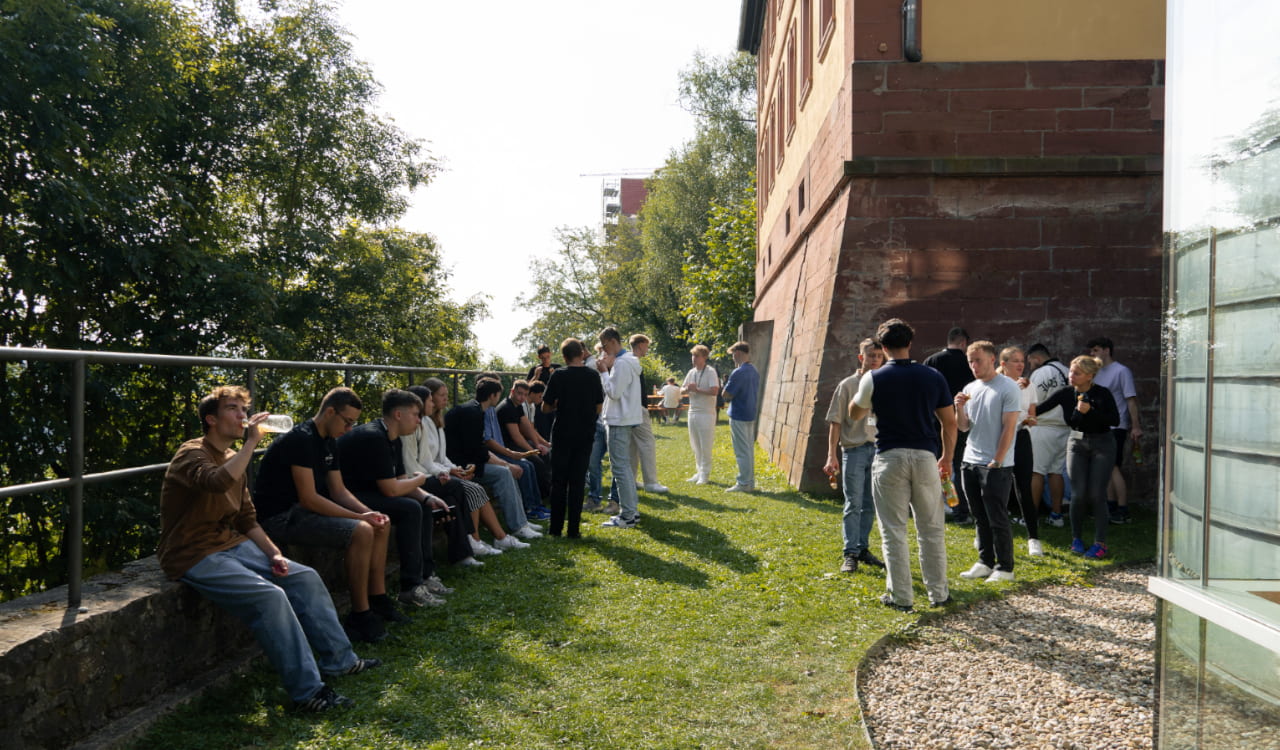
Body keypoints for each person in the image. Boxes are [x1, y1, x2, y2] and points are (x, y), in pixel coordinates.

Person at [157, 386, 379, 712]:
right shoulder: (191, 453)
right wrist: (251, 443)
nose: (242, 416)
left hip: (231, 544)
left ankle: (340, 660)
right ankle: (309, 693)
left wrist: (274, 553)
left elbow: (248, 520)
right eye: (233, 409)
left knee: (304, 577)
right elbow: (216, 482)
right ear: (211, 419)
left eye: (242, 409)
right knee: (270, 597)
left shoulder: (235, 458)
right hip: (192, 553)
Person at [253, 387, 403, 644]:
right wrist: (359, 519)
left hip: (301, 511)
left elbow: (339, 490)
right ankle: (360, 614)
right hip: (280, 516)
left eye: (353, 423)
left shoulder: (329, 441)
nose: (349, 428)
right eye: (347, 422)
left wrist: (367, 512)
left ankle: (378, 599)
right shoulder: (300, 439)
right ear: (330, 411)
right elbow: (308, 498)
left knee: (380, 523)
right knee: (362, 530)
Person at [850, 319, 955, 611]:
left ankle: (901, 597)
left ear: (883, 348)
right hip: (925, 456)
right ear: (910, 343)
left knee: (893, 531)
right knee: (931, 530)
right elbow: (949, 422)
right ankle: (939, 593)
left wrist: (865, 387)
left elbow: (855, 413)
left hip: (889, 457)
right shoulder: (932, 375)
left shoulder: (874, 377)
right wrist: (946, 457)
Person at [337, 389, 457, 608]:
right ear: (398, 415)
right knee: (410, 509)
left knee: (422, 504)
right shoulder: (374, 437)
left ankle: (424, 576)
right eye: (415, 414)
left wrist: (428, 496)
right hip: (346, 496)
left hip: (369, 492)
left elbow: (401, 481)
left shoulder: (395, 438)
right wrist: (420, 482)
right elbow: (391, 489)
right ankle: (410, 588)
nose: (420, 421)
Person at [402, 382, 527, 559]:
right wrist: (448, 472)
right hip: (427, 477)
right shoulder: (419, 424)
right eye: (438, 396)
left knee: (470, 489)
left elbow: (441, 456)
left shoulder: (436, 421)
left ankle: (489, 539)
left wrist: (455, 469)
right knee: (473, 490)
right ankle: (479, 540)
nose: (445, 399)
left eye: (446, 394)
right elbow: (424, 462)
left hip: (438, 473)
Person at [1035, 355, 1120, 559]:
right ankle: (1076, 539)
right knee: (1078, 493)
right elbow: (1038, 409)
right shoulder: (1065, 393)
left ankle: (1100, 543)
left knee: (1096, 494)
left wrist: (1091, 410)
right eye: (1071, 372)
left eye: (1077, 373)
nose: (1071, 376)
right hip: (1076, 443)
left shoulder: (1102, 394)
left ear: (1090, 376)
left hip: (1102, 443)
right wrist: (1023, 391)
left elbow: (1114, 420)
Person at [954, 341, 1022, 583]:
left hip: (996, 464)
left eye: (978, 360)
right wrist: (959, 407)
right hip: (970, 460)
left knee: (997, 516)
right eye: (970, 361)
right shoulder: (970, 387)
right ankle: (985, 561)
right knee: (978, 515)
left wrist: (998, 459)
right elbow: (963, 427)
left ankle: (1005, 567)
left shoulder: (1008, 387)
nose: (973, 365)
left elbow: (1010, 426)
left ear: (992, 359)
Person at [444, 379, 543, 540]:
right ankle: (518, 526)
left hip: (469, 461)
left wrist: (508, 463)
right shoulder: (473, 413)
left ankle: (522, 521)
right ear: (492, 396)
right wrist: (507, 464)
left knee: (509, 470)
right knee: (504, 473)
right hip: (462, 466)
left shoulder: (475, 410)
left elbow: (479, 449)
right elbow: (479, 452)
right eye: (498, 395)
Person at [824, 337, 887, 573]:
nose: (875, 360)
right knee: (853, 503)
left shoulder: (884, 384)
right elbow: (835, 421)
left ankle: (862, 548)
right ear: (861, 358)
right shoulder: (848, 385)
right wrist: (832, 455)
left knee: (870, 503)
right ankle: (849, 553)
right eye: (871, 356)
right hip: (854, 449)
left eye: (879, 356)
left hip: (878, 449)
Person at [542, 337, 605, 536]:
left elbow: (545, 407)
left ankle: (555, 528)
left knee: (559, 482)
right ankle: (574, 529)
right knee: (578, 482)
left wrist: (558, 404)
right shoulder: (593, 375)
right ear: (581, 354)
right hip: (585, 433)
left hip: (562, 432)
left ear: (564, 356)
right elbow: (598, 406)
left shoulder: (558, 375)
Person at [1087, 336, 1141, 525]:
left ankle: (1123, 509)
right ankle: (1110, 506)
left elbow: (1130, 400)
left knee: (1113, 466)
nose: (1092, 354)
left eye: (1095, 350)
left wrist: (1135, 426)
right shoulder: (1096, 372)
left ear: (1107, 350)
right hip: (1100, 427)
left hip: (1116, 426)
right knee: (1105, 468)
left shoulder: (1121, 371)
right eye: (1091, 351)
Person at [996, 346, 1043, 557]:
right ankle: (991, 534)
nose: (1020, 364)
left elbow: (1033, 417)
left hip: (1021, 436)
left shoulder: (1028, 385)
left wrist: (1029, 420)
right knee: (997, 486)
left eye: (1022, 360)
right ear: (1003, 364)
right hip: (1000, 438)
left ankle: (1033, 537)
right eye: (1015, 360)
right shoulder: (995, 385)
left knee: (1024, 486)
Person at [924, 326, 973, 523]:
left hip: (935, 422)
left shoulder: (932, 361)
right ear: (963, 343)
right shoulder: (969, 363)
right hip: (960, 421)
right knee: (959, 466)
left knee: (934, 466)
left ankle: (934, 509)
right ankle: (961, 511)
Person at [596, 326, 644, 528]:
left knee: (620, 469)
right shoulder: (627, 362)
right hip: (623, 418)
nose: (604, 352)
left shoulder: (623, 364)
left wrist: (603, 373)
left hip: (619, 420)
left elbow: (614, 392)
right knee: (623, 469)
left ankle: (628, 515)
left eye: (605, 347)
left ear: (613, 342)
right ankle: (630, 512)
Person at [487, 380, 550, 521]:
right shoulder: (507, 407)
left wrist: (538, 444)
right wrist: (532, 452)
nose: (522, 397)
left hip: (512, 446)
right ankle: (528, 507)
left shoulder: (518, 406)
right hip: (506, 448)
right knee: (528, 465)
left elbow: (527, 426)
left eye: (524, 395)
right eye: (519, 393)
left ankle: (537, 503)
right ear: (512, 392)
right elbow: (515, 437)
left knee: (535, 462)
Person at [1026, 343, 1071, 527]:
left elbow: (1031, 402)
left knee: (1036, 472)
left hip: (1043, 426)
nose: (1029, 366)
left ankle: (1031, 516)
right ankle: (1057, 515)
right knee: (1056, 472)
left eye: (1030, 362)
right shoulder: (1067, 370)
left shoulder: (1040, 373)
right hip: (1064, 428)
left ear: (1036, 358)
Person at [625, 334, 668, 493]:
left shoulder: (627, 360)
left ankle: (632, 480)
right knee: (647, 444)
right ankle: (651, 482)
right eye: (647, 346)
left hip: (630, 410)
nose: (647, 349)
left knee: (632, 446)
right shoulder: (633, 361)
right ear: (641, 344)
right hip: (637, 409)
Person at [721, 340, 760, 493]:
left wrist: (726, 388)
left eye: (732, 355)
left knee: (741, 451)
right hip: (750, 413)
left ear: (737, 353)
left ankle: (743, 483)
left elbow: (726, 394)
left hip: (738, 414)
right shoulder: (754, 370)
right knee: (748, 450)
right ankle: (749, 482)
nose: (732, 358)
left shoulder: (739, 372)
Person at [682, 344, 720, 484]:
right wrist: (686, 389)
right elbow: (681, 390)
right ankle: (699, 472)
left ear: (704, 357)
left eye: (697, 356)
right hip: (692, 411)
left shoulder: (710, 371)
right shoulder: (691, 372)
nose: (694, 358)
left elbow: (714, 391)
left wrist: (697, 390)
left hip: (706, 413)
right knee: (695, 444)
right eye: (693, 355)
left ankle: (705, 474)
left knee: (705, 444)